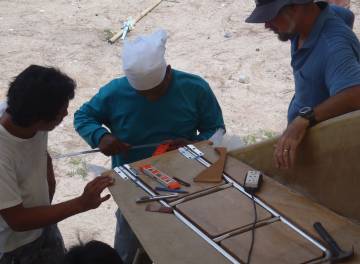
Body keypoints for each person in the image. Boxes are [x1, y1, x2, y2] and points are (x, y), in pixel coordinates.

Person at [74, 29, 225, 263]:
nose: (151, 99)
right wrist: (100, 137)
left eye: (157, 92)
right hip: (132, 187)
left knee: (182, 244)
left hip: (183, 183)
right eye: (142, 94)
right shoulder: (115, 91)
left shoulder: (195, 88)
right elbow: (83, 116)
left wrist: (193, 145)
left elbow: (216, 130)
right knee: (128, 249)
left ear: (169, 72)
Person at [0, 65, 114, 264]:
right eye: (62, 110)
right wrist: (81, 203)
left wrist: (49, 179)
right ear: (38, 118)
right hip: (14, 247)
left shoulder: (25, 117)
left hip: (44, 224)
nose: (67, 113)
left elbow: (39, 151)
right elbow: (17, 220)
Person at [245, 0, 360, 169]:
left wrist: (305, 118)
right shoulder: (304, 26)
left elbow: (355, 94)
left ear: (296, 7)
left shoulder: (333, 46)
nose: (266, 24)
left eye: (272, 15)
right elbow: (347, 15)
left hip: (329, 158)